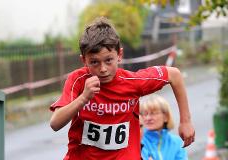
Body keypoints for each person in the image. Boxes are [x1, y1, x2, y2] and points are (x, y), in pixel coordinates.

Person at [49, 17, 195, 160]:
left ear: (119, 55)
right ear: (84, 60)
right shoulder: (78, 80)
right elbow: (55, 123)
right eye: (94, 62)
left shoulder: (133, 82)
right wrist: (83, 98)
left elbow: (174, 75)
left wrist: (186, 121)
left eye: (108, 60)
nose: (103, 69)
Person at [140, 94, 188, 160]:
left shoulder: (177, 142)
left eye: (153, 113)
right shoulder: (139, 142)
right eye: (144, 114)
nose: (148, 118)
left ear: (166, 116)